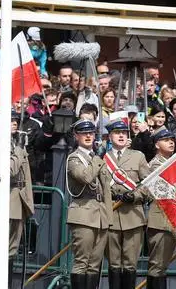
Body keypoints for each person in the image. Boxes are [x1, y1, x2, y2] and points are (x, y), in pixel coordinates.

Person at [0, 111, 33, 287]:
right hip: (3, 198)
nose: (14, 123)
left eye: (15, 120)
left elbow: (25, 175)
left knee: (11, 249)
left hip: (17, 198)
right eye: (10, 120)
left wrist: (28, 200)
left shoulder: (16, 145)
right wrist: (19, 149)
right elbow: (8, 171)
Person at [102, 119, 150, 289]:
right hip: (110, 214)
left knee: (130, 264)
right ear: (109, 136)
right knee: (114, 263)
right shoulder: (102, 157)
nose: (121, 135)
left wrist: (136, 195)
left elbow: (148, 184)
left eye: (124, 133)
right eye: (117, 133)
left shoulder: (138, 156)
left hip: (133, 215)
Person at [67, 119, 113, 289]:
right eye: (84, 133)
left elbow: (107, 183)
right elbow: (86, 177)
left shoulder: (96, 157)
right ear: (76, 136)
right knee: (82, 262)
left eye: (91, 133)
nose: (88, 136)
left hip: (100, 213)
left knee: (95, 264)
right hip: (83, 213)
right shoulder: (74, 158)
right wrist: (98, 157)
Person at [144, 128, 176, 289]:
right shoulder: (154, 165)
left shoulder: (174, 162)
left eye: (172, 139)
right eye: (166, 140)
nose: (171, 142)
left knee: (163, 265)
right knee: (157, 265)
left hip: (173, 218)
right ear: (157, 144)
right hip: (160, 219)